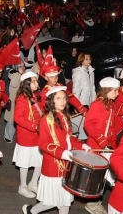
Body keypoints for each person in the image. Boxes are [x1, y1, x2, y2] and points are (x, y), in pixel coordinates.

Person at [22, 86, 89, 214]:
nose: (62, 101)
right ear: (52, 101)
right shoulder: (46, 119)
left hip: (67, 165)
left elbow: (69, 139)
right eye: (58, 98)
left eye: (64, 98)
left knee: (65, 201)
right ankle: (32, 211)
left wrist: (82, 145)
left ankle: (31, 211)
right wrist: (61, 153)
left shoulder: (65, 117)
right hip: (53, 165)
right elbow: (43, 143)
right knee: (52, 201)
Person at [82, 77, 120, 214]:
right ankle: (92, 204)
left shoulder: (110, 104)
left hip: (107, 147)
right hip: (97, 146)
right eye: (115, 90)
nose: (117, 93)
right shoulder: (97, 104)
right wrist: (103, 142)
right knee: (99, 177)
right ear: (107, 90)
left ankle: (95, 201)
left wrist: (113, 144)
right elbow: (89, 124)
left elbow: (111, 127)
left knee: (106, 177)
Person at [13, 70, 43, 199]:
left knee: (39, 160)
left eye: (36, 81)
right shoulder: (22, 98)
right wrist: (34, 126)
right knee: (25, 163)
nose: (37, 83)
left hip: (37, 135)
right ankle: (23, 186)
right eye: (34, 81)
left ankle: (33, 182)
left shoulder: (35, 96)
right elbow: (18, 118)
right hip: (26, 136)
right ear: (27, 83)